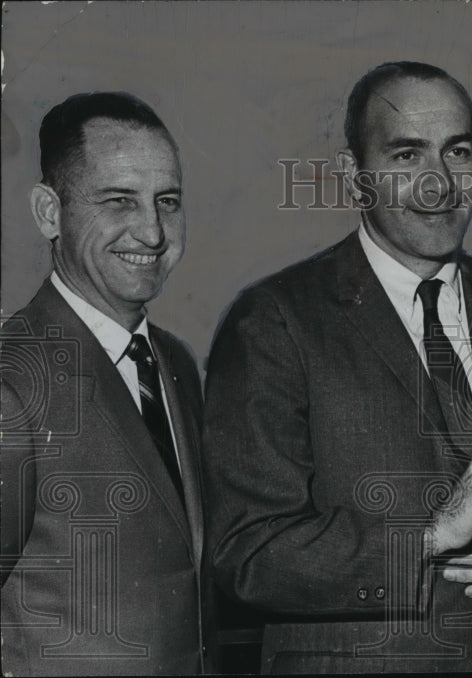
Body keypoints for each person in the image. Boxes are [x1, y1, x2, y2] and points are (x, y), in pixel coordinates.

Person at [201, 61, 472, 674]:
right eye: (407, 156)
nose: (439, 184)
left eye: (457, 151)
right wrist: (429, 536)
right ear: (355, 176)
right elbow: (249, 553)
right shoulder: (274, 319)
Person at [0, 92, 210, 674]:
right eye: (119, 201)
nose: (151, 232)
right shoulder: (11, 381)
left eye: (167, 202)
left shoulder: (175, 363)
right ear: (49, 212)